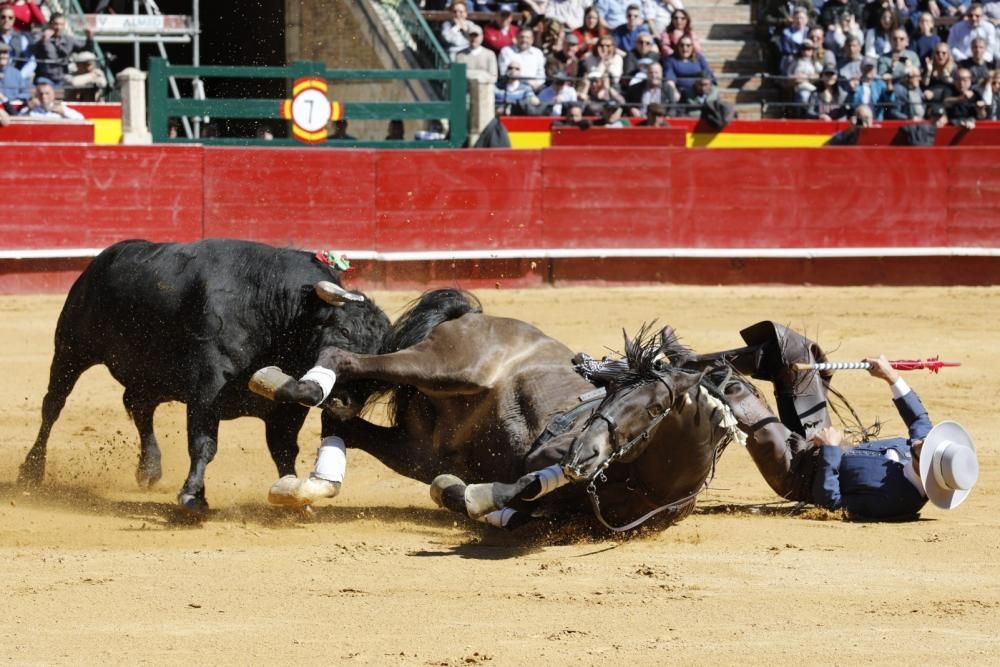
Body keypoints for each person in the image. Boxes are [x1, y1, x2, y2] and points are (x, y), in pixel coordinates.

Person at [721, 327, 978, 520]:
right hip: (822, 438)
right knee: (796, 351)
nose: (922, 440)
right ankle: (707, 362)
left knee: (738, 395)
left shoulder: (895, 502)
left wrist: (831, 450)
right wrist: (892, 377)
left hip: (797, 473)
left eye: (927, 448)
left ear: (927, 470)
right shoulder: (919, 449)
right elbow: (918, 418)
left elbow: (830, 502)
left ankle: (697, 376)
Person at [31, 12, 95, 87]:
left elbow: (86, 49)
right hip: (44, 77)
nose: (58, 27)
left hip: (63, 77)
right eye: (56, 24)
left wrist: (89, 37)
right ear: (50, 24)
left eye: (61, 24)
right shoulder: (40, 37)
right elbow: (32, 50)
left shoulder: (68, 39)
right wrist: (43, 40)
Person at [663, 35, 713, 105]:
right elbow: (669, 78)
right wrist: (673, 91)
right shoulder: (671, 60)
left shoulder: (699, 58)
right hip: (681, 92)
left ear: (692, 47)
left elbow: (708, 72)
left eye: (688, 45)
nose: (685, 48)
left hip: (699, 90)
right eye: (682, 45)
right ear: (678, 47)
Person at [18, 78, 84, 119]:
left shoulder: (60, 108)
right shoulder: (31, 110)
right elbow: (17, 121)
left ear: (53, 95)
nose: (44, 97)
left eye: (47, 93)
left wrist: (64, 112)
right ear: (36, 95)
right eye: (41, 94)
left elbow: (81, 118)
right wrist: (28, 110)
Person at [0, 4, 34, 79]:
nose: (6, 20)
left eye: (10, 18)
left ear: (14, 20)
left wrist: (19, 76)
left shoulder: (21, 39)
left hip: (15, 77)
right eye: (3, 17)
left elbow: (31, 62)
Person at [0, 42, 28, 112]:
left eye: (5, 53)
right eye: (0, 53)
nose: (3, 56)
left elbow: (24, 93)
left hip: (14, 109)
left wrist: (16, 100)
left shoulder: (15, 73)